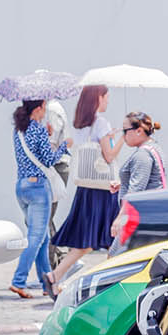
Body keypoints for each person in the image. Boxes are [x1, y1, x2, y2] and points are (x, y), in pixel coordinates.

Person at [50, 84, 121, 286]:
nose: (108, 101)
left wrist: (108, 138)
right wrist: (122, 139)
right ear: (99, 98)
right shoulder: (102, 123)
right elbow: (108, 156)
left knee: (89, 241)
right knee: (112, 238)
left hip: (86, 186)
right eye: (106, 97)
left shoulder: (80, 124)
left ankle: (54, 276)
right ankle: (110, 281)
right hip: (103, 188)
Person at [10, 100, 68, 299]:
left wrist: (47, 135)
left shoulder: (19, 130)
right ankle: (18, 281)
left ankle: (47, 284)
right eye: (44, 107)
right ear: (37, 109)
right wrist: (64, 146)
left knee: (42, 238)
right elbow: (49, 160)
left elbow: (33, 153)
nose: (46, 111)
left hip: (22, 187)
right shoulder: (39, 130)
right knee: (35, 238)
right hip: (37, 189)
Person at [116, 112, 167, 195]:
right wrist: (123, 184)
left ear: (139, 131)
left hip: (141, 207)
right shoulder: (154, 147)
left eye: (125, 131)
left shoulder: (142, 154)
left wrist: (124, 208)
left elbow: (134, 194)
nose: (123, 136)